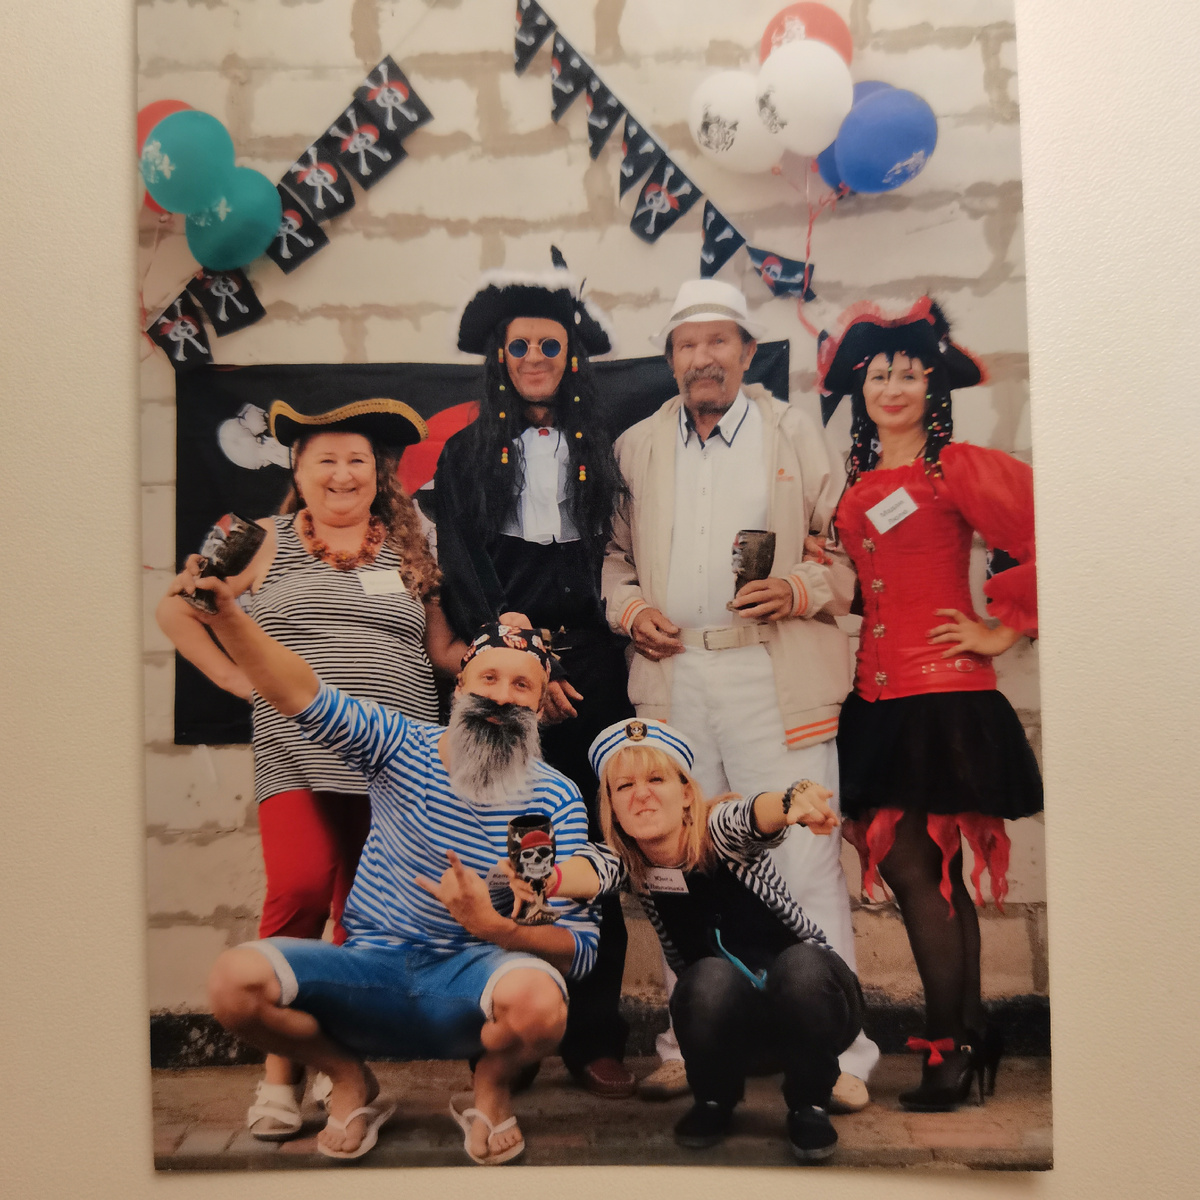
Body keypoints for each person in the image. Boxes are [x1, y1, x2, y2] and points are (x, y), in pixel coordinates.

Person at [177, 601, 601, 1165]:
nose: (501, 697)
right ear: (459, 687)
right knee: (234, 982)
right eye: (489, 678)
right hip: (369, 972)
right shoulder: (400, 745)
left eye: (522, 685)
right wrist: (227, 617)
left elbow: (580, 949)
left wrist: (494, 927)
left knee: (542, 1005)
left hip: (471, 988)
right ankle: (347, 1078)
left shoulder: (555, 797)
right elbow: (302, 694)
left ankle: (491, 1088)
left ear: (539, 705)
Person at [157, 398, 469, 1141]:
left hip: (396, 761)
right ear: (297, 470)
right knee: (298, 890)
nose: (342, 473)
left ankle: (337, 1067)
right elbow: (176, 609)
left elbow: (440, 651)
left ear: (379, 473)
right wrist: (235, 680)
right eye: (325, 459)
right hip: (298, 751)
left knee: (360, 918)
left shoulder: (412, 546)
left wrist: (510, 655)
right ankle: (280, 1076)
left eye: (357, 459)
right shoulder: (259, 539)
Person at [602, 278, 879, 1107]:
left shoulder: (793, 432)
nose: (703, 358)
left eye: (719, 341)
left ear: (748, 352)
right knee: (676, 860)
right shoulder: (637, 446)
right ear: (670, 359)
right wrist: (631, 610)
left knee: (804, 853)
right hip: (674, 676)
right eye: (688, 345)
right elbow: (614, 559)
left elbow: (848, 553)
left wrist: (797, 588)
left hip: (770, 671)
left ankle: (843, 1056)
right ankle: (691, 1045)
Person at [818, 297, 1042, 1111]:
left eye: (910, 374)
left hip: (942, 693)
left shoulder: (956, 469)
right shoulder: (855, 481)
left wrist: (1001, 629)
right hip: (876, 694)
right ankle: (968, 1037)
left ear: (932, 387)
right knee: (925, 869)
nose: (893, 387)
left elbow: (1044, 526)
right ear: (861, 387)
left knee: (924, 869)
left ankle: (954, 1046)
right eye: (880, 374)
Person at [433, 251, 637, 1098]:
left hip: (590, 672)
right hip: (501, 668)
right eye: (519, 347)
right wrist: (518, 656)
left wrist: (563, 662)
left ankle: (594, 1034)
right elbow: (461, 563)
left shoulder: (604, 453)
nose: (534, 359)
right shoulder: (464, 453)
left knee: (591, 846)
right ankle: (504, 1035)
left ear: (571, 356)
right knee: (492, 843)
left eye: (549, 346)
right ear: (500, 357)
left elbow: (612, 563)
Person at [501, 719, 863, 1161]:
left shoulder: (718, 830)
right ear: (611, 806)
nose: (641, 794)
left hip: (818, 1006)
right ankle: (714, 1100)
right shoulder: (629, 860)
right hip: (733, 1025)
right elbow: (590, 870)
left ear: (687, 793)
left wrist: (790, 802)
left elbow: (753, 815)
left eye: (656, 779)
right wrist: (545, 881)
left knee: (801, 966)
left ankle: (809, 1104)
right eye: (624, 786)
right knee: (707, 978)